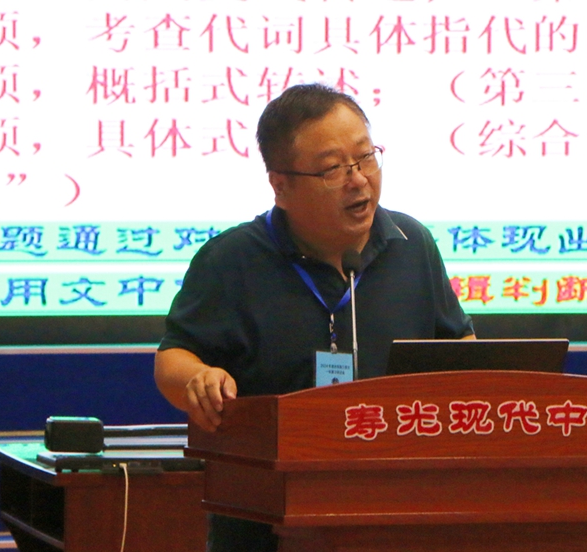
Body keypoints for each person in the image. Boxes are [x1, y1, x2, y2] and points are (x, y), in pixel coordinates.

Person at [154, 83, 475, 552]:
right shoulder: (231, 260)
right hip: (263, 523)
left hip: (398, 515)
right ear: (280, 186)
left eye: (365, 158)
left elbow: (460, 348)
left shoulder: (412, 244)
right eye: (332, 169)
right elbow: (174, 358)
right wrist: (198, 379)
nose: (358, 180)